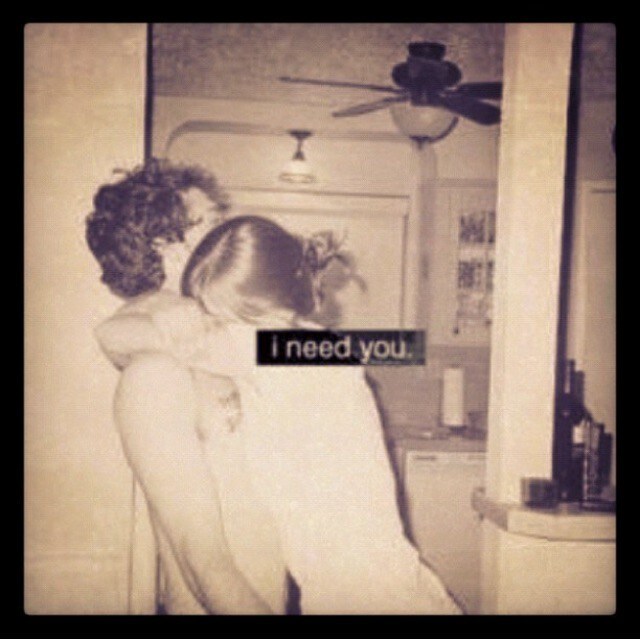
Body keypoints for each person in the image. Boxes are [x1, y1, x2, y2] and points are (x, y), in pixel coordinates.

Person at [97, 212, 463, 615]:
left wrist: (155, 313)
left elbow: (111, 336)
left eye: (216, 319)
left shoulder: (287, 353)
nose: (207, 327)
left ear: (266, 313)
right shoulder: (310, 347)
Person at [87, 158, 284, 614]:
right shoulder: (154, 377)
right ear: (167, 246)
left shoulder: (216, 340)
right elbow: (205, 566)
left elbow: (329, 355)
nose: (229, 234)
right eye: (213, 223)